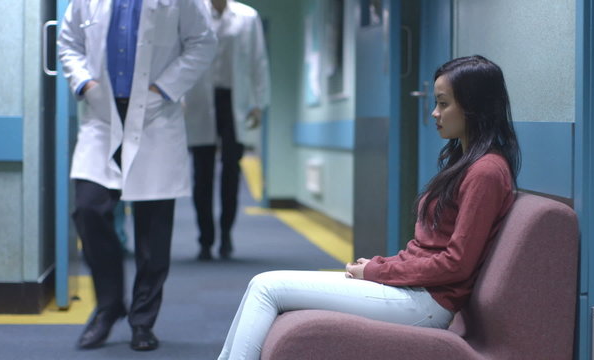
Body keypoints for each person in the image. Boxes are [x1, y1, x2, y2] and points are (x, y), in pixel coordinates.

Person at [217, 55, 521, 360]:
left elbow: (456, 263)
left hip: (427, 303)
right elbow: (430, 250)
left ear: (473, 107)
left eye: (443, 103)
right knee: (262, 285)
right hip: (414, 291)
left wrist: (378, 270)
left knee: (268, 287)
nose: (434, 113)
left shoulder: (486, 172)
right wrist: (382, 265)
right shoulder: (467, 163)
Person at [58, 0, 216, 351]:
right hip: (102, 114)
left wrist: (163, 89)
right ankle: (109, 304)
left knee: (153, 231)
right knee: (88, 209)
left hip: (155, 116)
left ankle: (142, 321)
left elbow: (203, 41)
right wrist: (83, 82)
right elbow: (67, 42)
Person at [182, 0, 270, 261]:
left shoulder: (247, 16)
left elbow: (258, 61)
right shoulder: (192, 13)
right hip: (200, 101)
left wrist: (259, 104)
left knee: (231, 168)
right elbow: (181, 56)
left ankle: (226, 235)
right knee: (202, 173)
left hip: (235, 102)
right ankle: (205, 240)